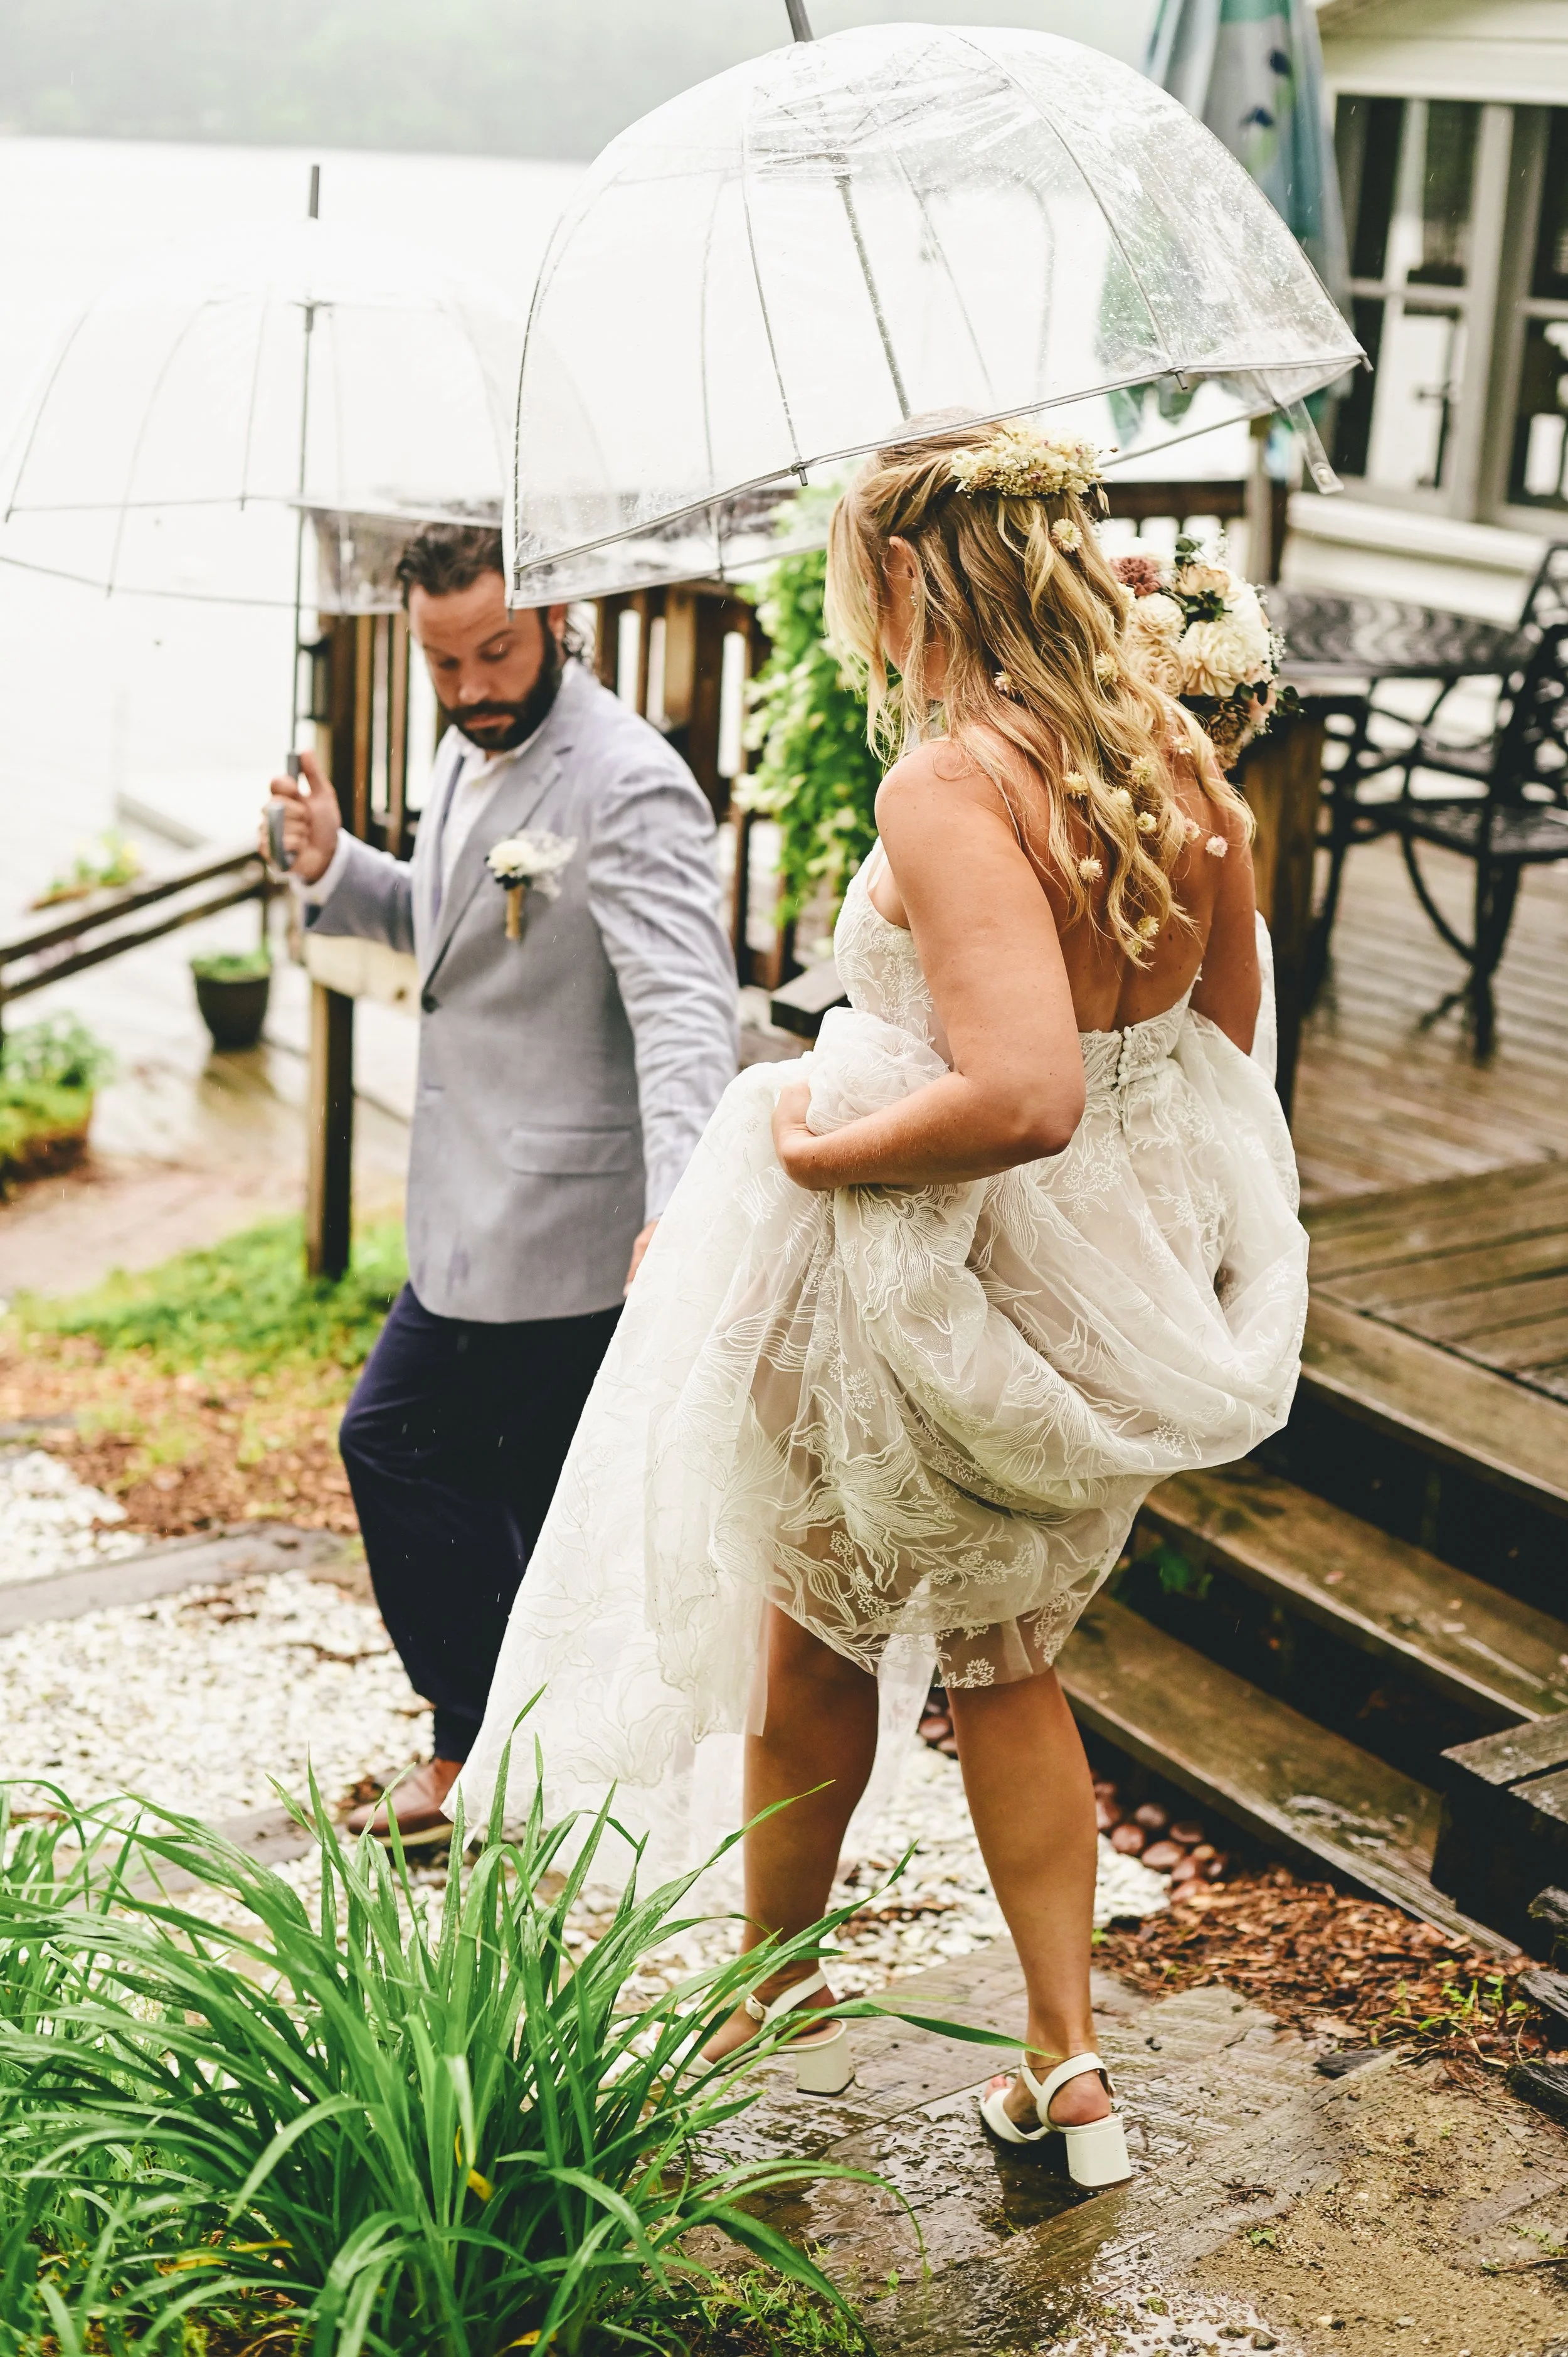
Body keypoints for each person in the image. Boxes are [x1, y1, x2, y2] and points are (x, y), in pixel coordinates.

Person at [455, 425, 1308, 2184]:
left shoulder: (953, 784)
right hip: (1095, 1280)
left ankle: (756, 2008)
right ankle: (1066, 2071)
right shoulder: (1176, 759)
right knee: (1002, 1658)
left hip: (931, 1269)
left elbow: (1020, 1093)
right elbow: (1213, 1042)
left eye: (859, 576)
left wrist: (808, 1144)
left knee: (808, 1635)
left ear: (913, 574)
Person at [263, 523, 738, 1844]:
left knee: (394, 1440)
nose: (471, 685)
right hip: (466, 1205)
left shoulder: (625, 780)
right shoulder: (464, 747)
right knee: (532, 1495)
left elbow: (684, 1009)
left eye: (494, 651)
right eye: (443, 660)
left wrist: (679, 1208)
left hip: (566, 1220)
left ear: (559, 613)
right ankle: (532, 1763)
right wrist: (335, 868)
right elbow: (456, 923)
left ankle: (475, 1754)